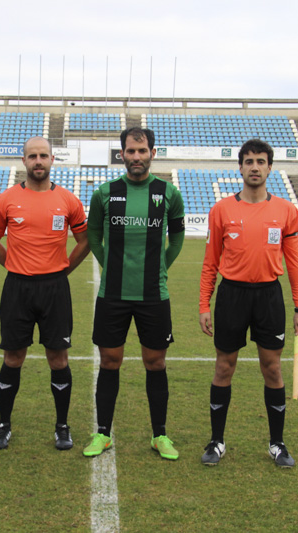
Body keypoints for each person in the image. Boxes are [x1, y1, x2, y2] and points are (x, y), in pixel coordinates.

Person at [198, 138, 298, 468]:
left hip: (269, 297)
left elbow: (294, 262)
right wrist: (204, 303)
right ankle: (216, 441)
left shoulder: (286, 211)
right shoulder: (221, 210)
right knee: (223, 366)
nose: (255, 167)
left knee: (272, 368)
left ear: (270, 168)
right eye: (249, 161)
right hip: (231, 296)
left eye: (261, 161)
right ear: (240, 167)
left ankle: (277, 443)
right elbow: (210, 262)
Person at [83, 127, 185, 461]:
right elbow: (94, 236)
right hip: (113, 294)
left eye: (142, 151)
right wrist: (108, 265)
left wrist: (162, 267)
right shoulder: (105, 193)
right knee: (110, 361)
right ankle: (103, 434)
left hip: (153, 295)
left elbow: (178, 237)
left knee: (155, 362)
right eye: (130, 151)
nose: (136, 157)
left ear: (152, 152)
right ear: (122, 154)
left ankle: (160, 435)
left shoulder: (168, 193)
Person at [0, 137, 90, 451]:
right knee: (12, 357)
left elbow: (84, 241)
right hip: (17, 288)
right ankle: (3, 425)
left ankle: (62, 426)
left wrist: (64, 270)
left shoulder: (69, 200)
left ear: (52, 160)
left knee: (58, 358)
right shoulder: (6, 199)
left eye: (43, 155)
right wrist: (12, 264)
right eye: (32, 156)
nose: (38, 161)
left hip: (55, 288)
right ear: (24, 160)